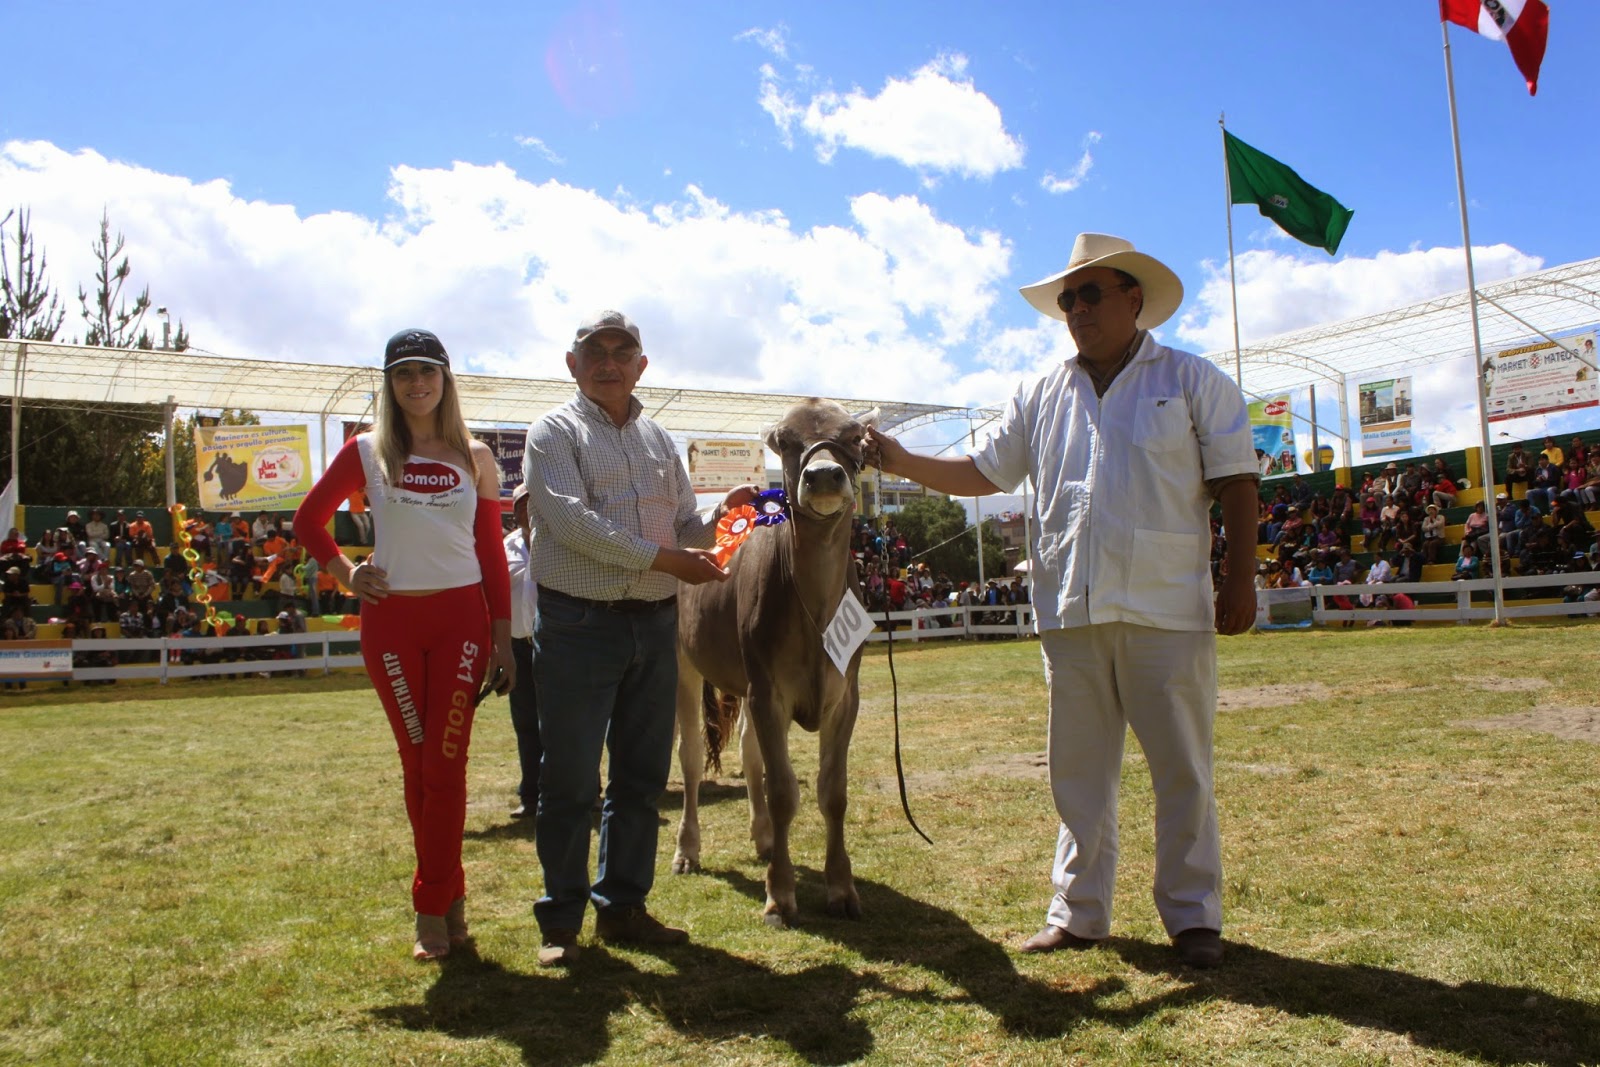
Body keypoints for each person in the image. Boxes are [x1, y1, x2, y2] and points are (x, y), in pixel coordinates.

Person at [865, 233, 1258, 969]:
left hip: (1166, 604)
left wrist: (1240, 575)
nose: (1075, 308)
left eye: (1091, 293)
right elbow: (985, 473)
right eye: (1067, 298)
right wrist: (898, 458)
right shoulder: (1041, 392)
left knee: (1183, 768)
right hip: (1070, 609)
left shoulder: (1192, 378)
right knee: (1076, 773)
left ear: (1133, 298)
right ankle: (1078, 912)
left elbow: (1237, 478)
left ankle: (1193, 916)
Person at [521, 309, 755, 967]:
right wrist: (668, 559)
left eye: (622, 350)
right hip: (577, 623)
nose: (609, 360)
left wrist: (725, 516)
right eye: (594, 350)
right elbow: (572, 524)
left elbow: (687, 527)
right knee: (568, 777)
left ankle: (623, 906)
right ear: (573, 364)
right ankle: (560, 923)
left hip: (654, 623)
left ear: (641, 365)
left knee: (641, 775)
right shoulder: (552, 433)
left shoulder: (659, 440)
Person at [293, 327, 514, 962]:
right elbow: (308, 521)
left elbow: (491, 555)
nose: (416, 383)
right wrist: (346, 573)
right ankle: (451, 900)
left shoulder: (477, 457)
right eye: (402, 373)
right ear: (389, 384)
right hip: (390, 625)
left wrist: (502, 641)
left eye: (428, 371)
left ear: (446, 379)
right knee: (417, 767)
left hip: (461, 625)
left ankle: (431, 909)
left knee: (444, 767)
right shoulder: (366, 451)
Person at [503, 482, 541, 819]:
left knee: (570, 724)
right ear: (514, 512)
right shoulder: (505, 547)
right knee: (527, 724)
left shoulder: (560, 544)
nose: (526, 510)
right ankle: (531, 796)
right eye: (521, 505)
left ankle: (588, 792)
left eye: (532, 503)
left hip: (558, 645)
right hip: (519, 648)